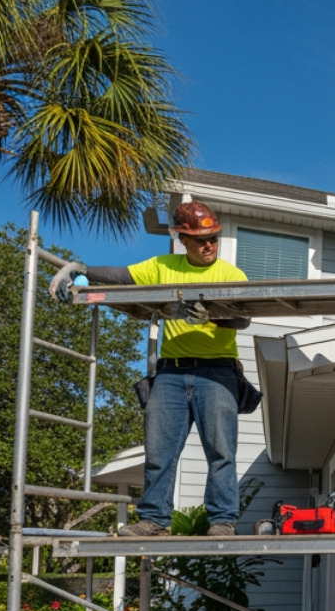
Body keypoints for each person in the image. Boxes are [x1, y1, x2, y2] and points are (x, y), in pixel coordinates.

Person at [49, 201, 252, 537]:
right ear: (183, 240)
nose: (209, 245)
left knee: (221, 451)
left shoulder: (231, 275)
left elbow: (243, 319)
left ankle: (222, 521)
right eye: (201, 240)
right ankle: (154, 521)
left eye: (213, 238)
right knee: (159, 451)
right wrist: (79, 267)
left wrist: (215, 315)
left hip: (217, 371)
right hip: (171, 373)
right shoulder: (163, 266)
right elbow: (122, 276)